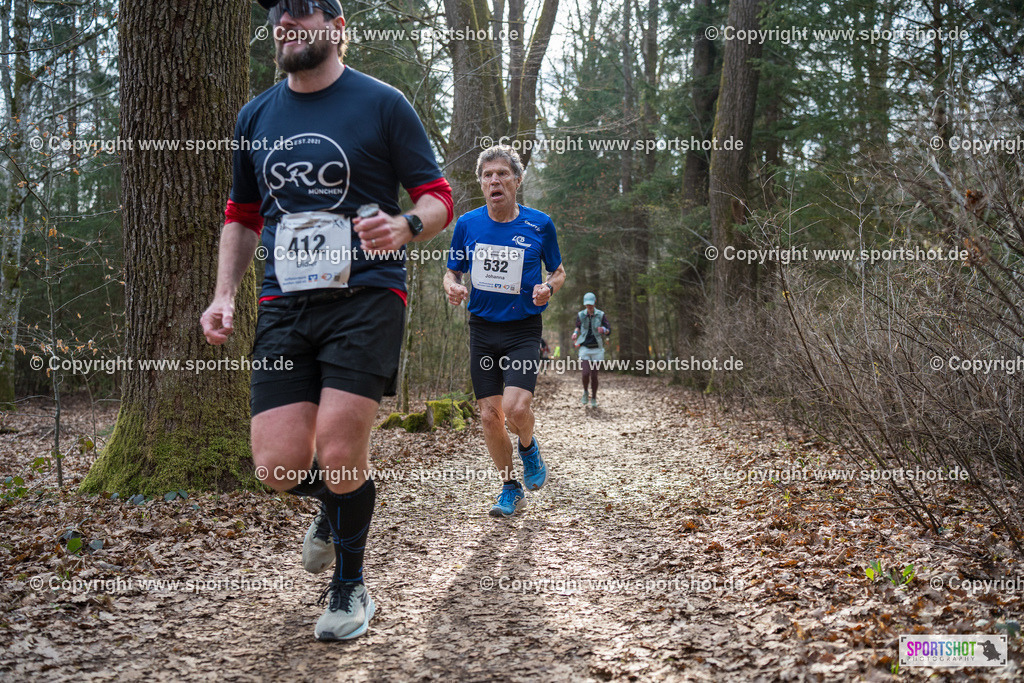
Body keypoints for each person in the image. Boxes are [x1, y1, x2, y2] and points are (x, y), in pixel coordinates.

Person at [200, 0, 452, 641]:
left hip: (366, 297)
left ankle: (350, 587)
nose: (286, 23)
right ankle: (340, 504)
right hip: (284, 304)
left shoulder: (382, 103)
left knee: (341, 449)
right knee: (278, 467)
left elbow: (438, 196)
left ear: (338, 29)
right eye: (279, 15)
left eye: (303, 13)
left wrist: (405, 224)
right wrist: (225, 294)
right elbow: (242, 214)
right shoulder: (255, 116)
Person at [443, 144, 566, 517]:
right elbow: (452, 271)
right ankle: (509, 486)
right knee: (488, 416)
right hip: (482, 328)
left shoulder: (539, 224)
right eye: (487, 175)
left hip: (523, 329)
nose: (494, 180)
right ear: (481, 184)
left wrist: (549, 288)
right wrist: (451, 285)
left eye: (502, 174)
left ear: (516, 180)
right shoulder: (467, 224)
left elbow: (558, 271)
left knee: (515, 408)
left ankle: (528, 445)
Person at [572, 292, 610, 407]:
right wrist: (575, 333)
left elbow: (608, 329)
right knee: (585, 373)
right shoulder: (581, 315)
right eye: (587, 305)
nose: (589, 307)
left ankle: (593, 397)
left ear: (594, 303)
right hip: (584, 347)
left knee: (594, 375)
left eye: (591, 305)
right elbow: (577, 326)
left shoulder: (601, 315)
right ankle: (585, 392)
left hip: (597, 348)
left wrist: (603, 330)